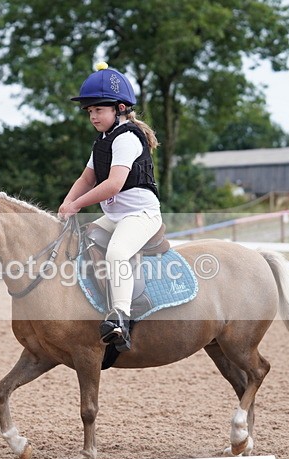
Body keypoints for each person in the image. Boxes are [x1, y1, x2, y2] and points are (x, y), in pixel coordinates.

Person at [58, 63, 162, 352]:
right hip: (115, 216)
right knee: (78, 242)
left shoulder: (127, 138)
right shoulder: (102, 141)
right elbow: (87, 178)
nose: (92, 116)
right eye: (89, 111)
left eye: (98, 110)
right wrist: (67, 203)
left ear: (119, 108)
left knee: (117, 253)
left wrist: (77, 204)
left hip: (141, 215)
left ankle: (120, 317)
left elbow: (114, 184)